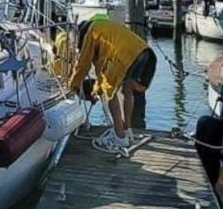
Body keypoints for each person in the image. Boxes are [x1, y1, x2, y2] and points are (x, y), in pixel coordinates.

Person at [67, 17, 156, 153]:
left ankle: (119, 137)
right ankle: (127, 130)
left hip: (124, 56)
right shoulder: (104, 25)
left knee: (110, 92)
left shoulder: (91, 32)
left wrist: (72, 85)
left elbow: (83, 64)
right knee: (127, 89)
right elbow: (101, 66)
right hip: (143, 52)